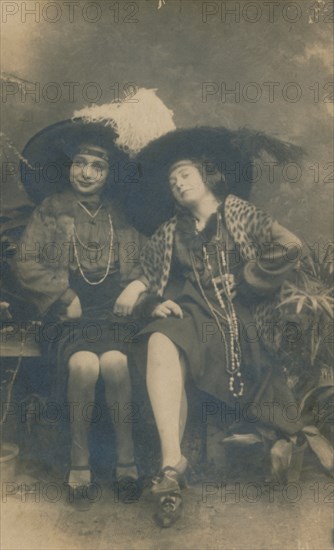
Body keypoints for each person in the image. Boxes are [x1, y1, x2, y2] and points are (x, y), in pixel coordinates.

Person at [128, 131, 304, 526]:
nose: (178, 183)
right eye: (172, 181)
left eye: (186, 174)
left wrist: (247, 277)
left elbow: (290, 246)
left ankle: (274, 440)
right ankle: (172, 464)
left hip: (241, 317)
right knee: (159, 338)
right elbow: (145, 274)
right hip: (193, 314)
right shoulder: (170, 232)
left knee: (258, 379)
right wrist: (150, 298)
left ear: (208, 176)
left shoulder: (238, 211)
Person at [15, 117, 148, 504]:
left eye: (98, 166)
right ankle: (79, 463)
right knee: (85, 365)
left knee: (116, 364)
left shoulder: (120, 213)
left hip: (115, 317)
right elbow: (26, 262)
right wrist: (63, 295)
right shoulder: (51, 209)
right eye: (80, 163)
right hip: (67, 318)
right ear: (69, 166)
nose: (86, 173)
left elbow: (146, 265)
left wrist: (136, 288)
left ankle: (127, 461)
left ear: (109, 174)